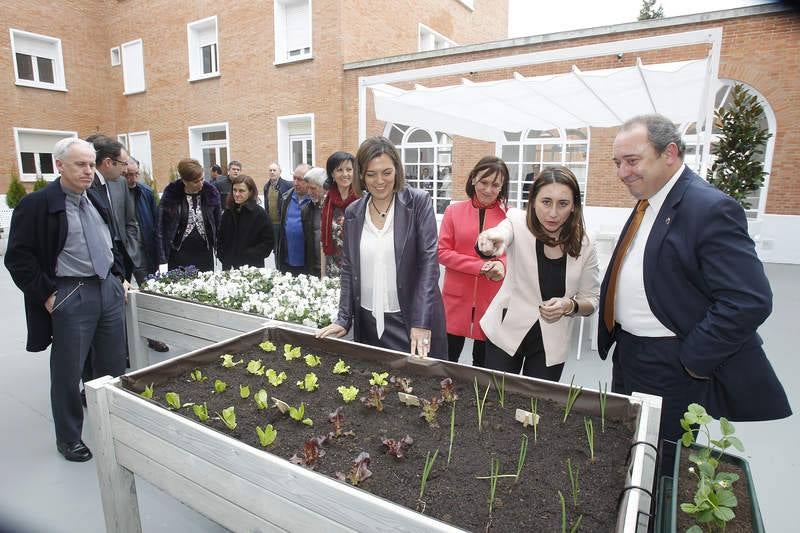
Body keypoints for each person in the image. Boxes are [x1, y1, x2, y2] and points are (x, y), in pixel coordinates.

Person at [600, 113, 790, 447]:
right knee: (626, 447)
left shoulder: (709, 207)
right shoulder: (650, 201)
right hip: (629, 353)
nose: (621, 173)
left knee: (661, 457)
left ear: (669, 154)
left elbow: (749, 299)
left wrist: (691, 359)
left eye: (632, 161)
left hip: (670, 363)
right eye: (618, 163)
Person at [5, 138, 127, 462]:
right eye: (80, 165)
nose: (89, 171)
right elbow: (17, 257)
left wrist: (119, 276)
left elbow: (109, 240)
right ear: (59, 165)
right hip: (71, 293)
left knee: (113, 363)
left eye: (91, 164)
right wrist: (46, 294)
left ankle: (116, 424)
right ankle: (69, 437)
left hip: (108, 290)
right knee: (67, 370)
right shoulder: (37, 205)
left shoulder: (95, 197)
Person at [317, 136, 446, 359]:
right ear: (361, 175)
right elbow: (348, 268)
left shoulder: (417, 203)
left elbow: (429, 264)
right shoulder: (354, 213)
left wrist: (421, 321)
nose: (379, 181)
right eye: (371, 174)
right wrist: (344, 318)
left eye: (386, 172)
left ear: (397, 170)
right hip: (368, 323)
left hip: (411, 322)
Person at [477, 166, 599, 381]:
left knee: (537, 409)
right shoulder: (517, 221)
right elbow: (501, 233)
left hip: (551, 344)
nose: (553, 213)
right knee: (495, 404)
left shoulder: (586, 244)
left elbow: (591, 299)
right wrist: (491, 239)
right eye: (546, 202)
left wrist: (569, 306)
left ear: (573, 207)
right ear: (533, 201)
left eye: (563, 204)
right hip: (506, 332)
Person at [438, 156, 508, 367]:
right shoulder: (453, 211)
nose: (488, 189)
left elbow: (511, 254)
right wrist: (480, 266)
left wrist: (501, 264)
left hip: (491, 299)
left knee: (484, 367)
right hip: (456, 300)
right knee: (447, 362)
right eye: (484, 182)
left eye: (495, 184)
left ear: (503, 186)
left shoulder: (509, 217)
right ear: (473, 180)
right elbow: (442, 252)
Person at [124, 158, 169, 353]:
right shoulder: (112, 193)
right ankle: (124, 344)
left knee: (149, 294)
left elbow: (157, 225)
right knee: (121, 298)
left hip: (144, 251)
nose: (132, 179)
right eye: (127, 175)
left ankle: (153, 337)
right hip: (122, 254)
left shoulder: (146, 192)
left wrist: (160, 255)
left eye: (136, 174)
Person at [86, 134, 141, 281]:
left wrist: (132, 248)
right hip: (102, 259)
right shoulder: (87, 187)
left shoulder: (120, 182)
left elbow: (130, 220)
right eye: (123, 163)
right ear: (108, 163)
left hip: (124, 252)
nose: (125, 170)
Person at [156, 158, 221, 272]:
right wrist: (162, 259)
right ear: (184, 181)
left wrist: (219, 248)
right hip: (179, 254)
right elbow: (160, 227)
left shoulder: (211, 193)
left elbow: (218, 223)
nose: (201, 184)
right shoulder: (171, 195)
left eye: (202, 179)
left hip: (204, 254)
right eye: (196, 181)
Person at [217, 175, 274, 270]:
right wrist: (222, 255)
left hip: (252, 268)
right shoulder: (228, 212)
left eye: (241, 191)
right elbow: (220, 237)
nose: (237, 194)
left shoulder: (260, 214)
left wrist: (249, 255)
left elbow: (268, 242)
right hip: (229, 267)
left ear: (250, 192)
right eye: (234, 190)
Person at [321, 151, 359, 278]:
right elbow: (323, 239)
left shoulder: (362, 200)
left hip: (357, 269)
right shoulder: (327, 200)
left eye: (349, 169)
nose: (345, 174)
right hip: (332, 268)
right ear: (332, 173)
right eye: (339, 170)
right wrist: (323, 275)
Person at [275, 164, 311, 275]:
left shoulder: (316, 200)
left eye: (300, 180)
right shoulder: (286, 197)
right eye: (294, 178)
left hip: (308, 263)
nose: (295, 183)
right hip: (287, 262)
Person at [301, 167, 326, 277]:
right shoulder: (306, 210)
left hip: (333, 269)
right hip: (313, 269)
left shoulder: (336, 210)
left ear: (324, 187)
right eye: (308, 188)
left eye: (313, 188)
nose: (309, 192)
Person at [262, 161, 291, 245]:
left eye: (274, 170)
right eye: (270, 170)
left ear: (280, 172)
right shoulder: (266, 187)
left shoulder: (287, 186)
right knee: (275, 248)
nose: (272, 172)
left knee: (283, 247)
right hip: (271, 223)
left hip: (283, 224)